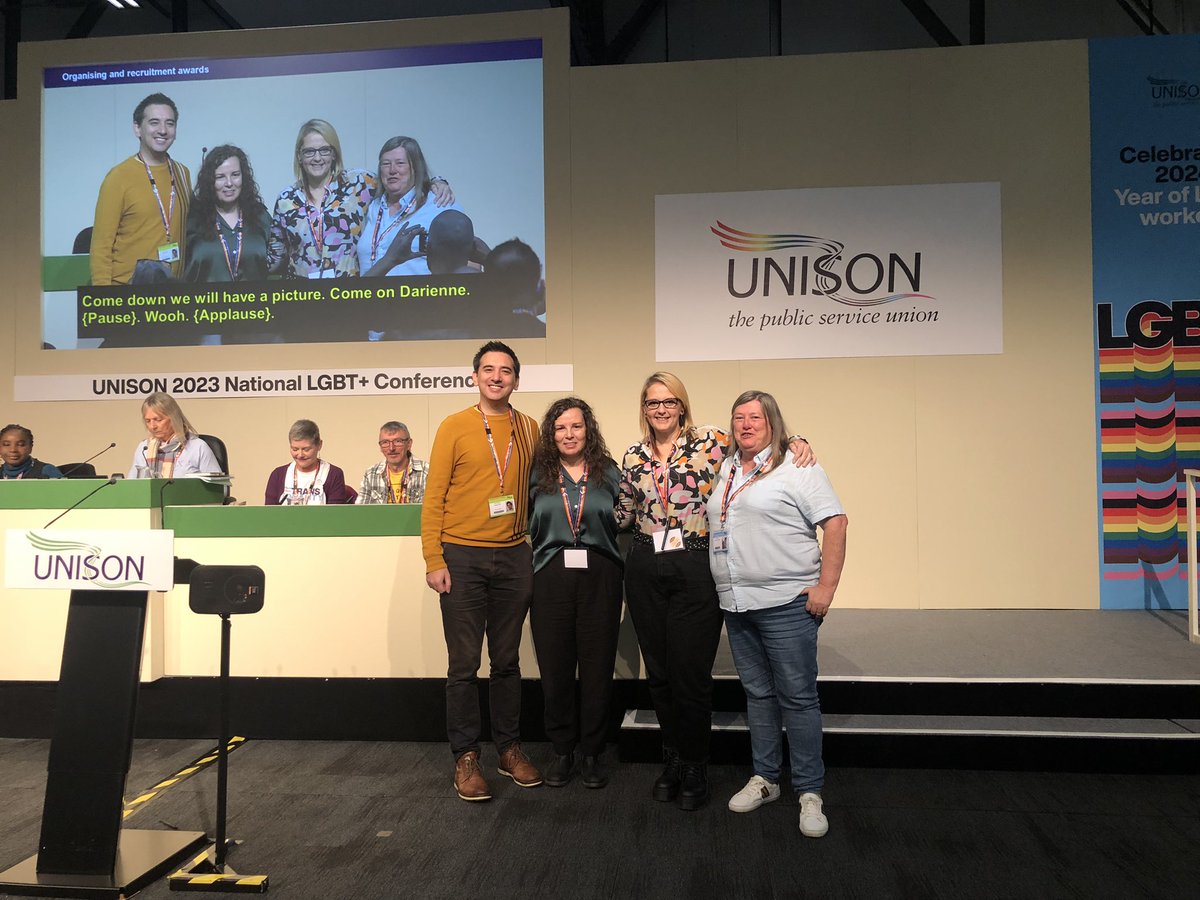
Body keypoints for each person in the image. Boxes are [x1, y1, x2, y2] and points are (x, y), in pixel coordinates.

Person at [620, 372, 813, 811]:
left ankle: (695, 764)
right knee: (660, 674)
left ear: (682, 405)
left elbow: (760, 438)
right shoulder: (632, 454)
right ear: (644, 409)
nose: (662, 409)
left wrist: (797, 439)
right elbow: (624, 510)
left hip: (694, 563)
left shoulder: (711, 440)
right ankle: (671, 758)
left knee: (689, 674)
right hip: (646, 565)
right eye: (653, 403)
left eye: (669, 401)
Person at [708, 390, 847, 839]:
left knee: (799, 698)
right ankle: (766, 778)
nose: (746, 425)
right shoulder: (727, 465)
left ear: (772, 423)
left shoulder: (797, 464)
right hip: (737, 604)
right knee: (759, 695)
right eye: (739, 418)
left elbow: (836, 523)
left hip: (786, 603)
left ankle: (809, 791)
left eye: (756, 418)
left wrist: (826, 587)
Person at [421, 340, 542, 801]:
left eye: (506, 370)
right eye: (488, 369)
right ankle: (466, 757)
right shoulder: (455, 426)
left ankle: (509, 749)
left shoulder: (529, 428)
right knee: (464, 664)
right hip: (462, 557)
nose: (497, 377)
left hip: (514, 556)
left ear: (515, 378)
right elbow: (434, 498)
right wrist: (434, 559)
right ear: (475, 376)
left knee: (508, 661)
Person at [528, 398, 626, 789]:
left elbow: (633, 511)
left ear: (589, 430)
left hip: (600, 575)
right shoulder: (537, 474)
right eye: (561, 428)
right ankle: (562, 750)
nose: (569, 434)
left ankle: (591, 753)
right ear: (552, 434)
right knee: (555, 667)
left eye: (576, 427)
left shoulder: (608, 472)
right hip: (550, 575)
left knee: (597, 666)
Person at [272, 121, 452, 279]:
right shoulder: (286, 199)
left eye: (324, 150)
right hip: (302, 298)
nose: (317, 158)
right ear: (299, 156)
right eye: (309, 152)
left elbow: (398, 179)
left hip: (350, 296)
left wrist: (437, 182)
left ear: (334, 154)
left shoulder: (360, 184)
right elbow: (276, 255)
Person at [91, 93, 192, 285]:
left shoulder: (182, 173)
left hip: (172, 292)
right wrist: (103, 301)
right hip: (127, 293)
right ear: (137, 128)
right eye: (154, 122)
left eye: (169, 123)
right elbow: (101, 246)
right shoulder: (118, 177)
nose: (163, 130)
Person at [357, 136, 464, 277]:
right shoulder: (373, 206)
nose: (392, 170)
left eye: (400, 163)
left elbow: (465, 261)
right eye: (386, 164)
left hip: (416, 296)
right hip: (367, 296)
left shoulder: (440, 205)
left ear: (415, 168)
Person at [184, 144, 279, 282]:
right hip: (205, 302)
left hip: (255, 302)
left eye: (235, 175)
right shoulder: (193, 220)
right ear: (210, 181)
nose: (229, 183)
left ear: (243, 177)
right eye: (220, 177)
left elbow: (277, 263)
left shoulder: (260, 217)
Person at [127, 392, 219, 478]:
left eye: (158, 420)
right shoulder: (144, 448)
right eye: (148, 421)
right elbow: (131, 486)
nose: (152, 426)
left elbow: (219, 488)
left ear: (173, 418)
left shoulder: (197, 447)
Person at [264, 419, 350, 505]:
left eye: (306, 449)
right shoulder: (278, 475)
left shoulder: (333, 474)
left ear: (319, 445)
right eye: (295, 449)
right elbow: (269, 514)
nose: (300, 455)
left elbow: (334, 515)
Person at [357, 421, 427, 504]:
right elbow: (360, 512)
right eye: (385, 442)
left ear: (409, 444)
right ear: (380, 447)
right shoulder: (371, 474)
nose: (391, 448)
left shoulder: (427, 472)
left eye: (398, 441)